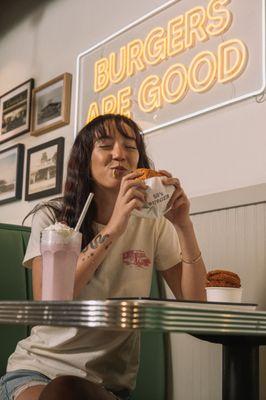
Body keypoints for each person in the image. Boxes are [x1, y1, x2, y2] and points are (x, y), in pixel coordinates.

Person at [0, 114, 207, 400]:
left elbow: (195, 307)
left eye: (130, 146)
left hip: (108, 387)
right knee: (64, 390)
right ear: (85, 159)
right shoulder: (52, 218)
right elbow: (49, 301)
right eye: (106, 145)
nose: (119, 154)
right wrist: (114, 227)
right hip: (39, 371)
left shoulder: (153, 223)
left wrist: (184, 225)